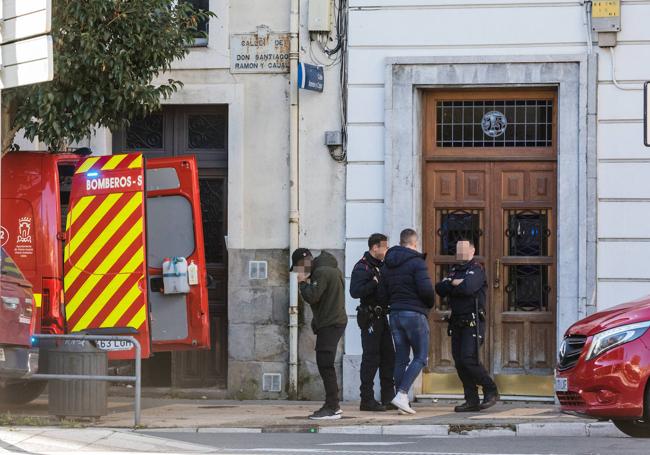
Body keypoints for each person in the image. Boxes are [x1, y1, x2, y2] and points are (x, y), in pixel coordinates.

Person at [435, 239, 499, 412]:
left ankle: (491, 389)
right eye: (458, 250)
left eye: (464, 249)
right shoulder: (455, 270)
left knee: (468, 360)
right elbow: (439, 288)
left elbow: (468, 288)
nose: (461, 253)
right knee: (459, 362)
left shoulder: (476, 269)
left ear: (472, 250)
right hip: (457, 322)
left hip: (473, 322)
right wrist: (453, 283)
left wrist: (453, 284)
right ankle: (471, 399)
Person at [379, 229, 435, 415]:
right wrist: (428, 306)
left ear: (400, 241)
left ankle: (400, 400)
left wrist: (392, 305)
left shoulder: (387, 264)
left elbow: (382, 292)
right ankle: (402, 395)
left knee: (401, 358)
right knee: (421, 356)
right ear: (414, 243)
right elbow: (426, 290)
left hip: (394, 314)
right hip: (414, 314)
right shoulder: (416, 262)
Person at [292, 247, 348, 420]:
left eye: (298, 270)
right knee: (325, 363)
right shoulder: (329, 268)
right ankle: (332, 404)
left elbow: (313, 296)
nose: (298, 273)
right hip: (331, 322)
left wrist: (302, 283)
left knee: (325, 364)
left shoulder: (322, 272)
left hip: (331, 323)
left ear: (303, 264)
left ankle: (333, 406)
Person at [350, 233, 396, 412]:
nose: (386, 250)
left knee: (388, 357)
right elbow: (355, 292)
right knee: (371, 359)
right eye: (384, 247)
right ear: (374, 247)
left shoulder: (382, 266)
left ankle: (388, 397)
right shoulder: (363, 267)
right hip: (370, 318)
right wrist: (374, 282)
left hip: (383, 317)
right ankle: (366, 399)